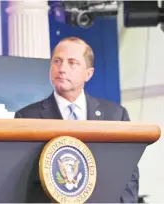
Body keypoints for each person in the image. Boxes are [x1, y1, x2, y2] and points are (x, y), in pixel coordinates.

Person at [14, 37, 139, 203]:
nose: (62, 68)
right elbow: (22, 181)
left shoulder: (115, 116)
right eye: (57, 61)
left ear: (88, 74)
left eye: (72, 63)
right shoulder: (27, 117)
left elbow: (128, 174)